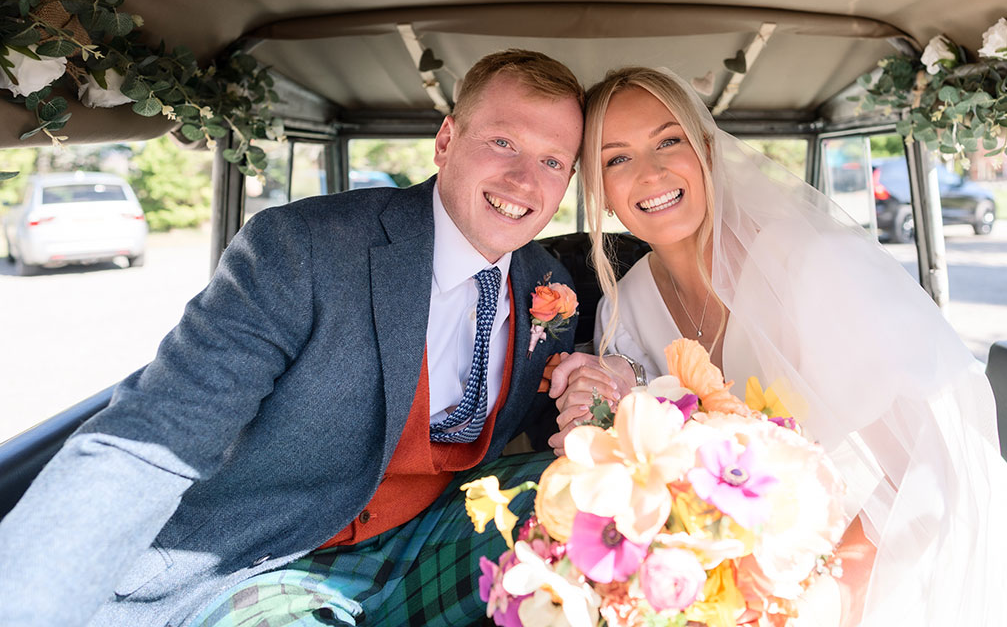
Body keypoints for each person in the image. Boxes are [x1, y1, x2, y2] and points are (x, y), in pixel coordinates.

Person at [0, 49, 586, 627]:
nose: (523, 180)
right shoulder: (303, 248)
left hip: (430, 532)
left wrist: (602, 396)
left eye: (553, 161)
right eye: (503, 143)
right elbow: (155, 435)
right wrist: (29, 606)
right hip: (258, 560)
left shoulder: (549, 283)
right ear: (445, 141)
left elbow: (545, 425)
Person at [550, 67, 1007, 626]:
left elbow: (928, 471)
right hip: (744, 555)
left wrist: (820, 600)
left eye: (670, 141)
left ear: (709, 152)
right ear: (600, 191)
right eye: (618, 159)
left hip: (895, 541)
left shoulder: (814, 266)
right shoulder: (627, 303)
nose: (651, 172)